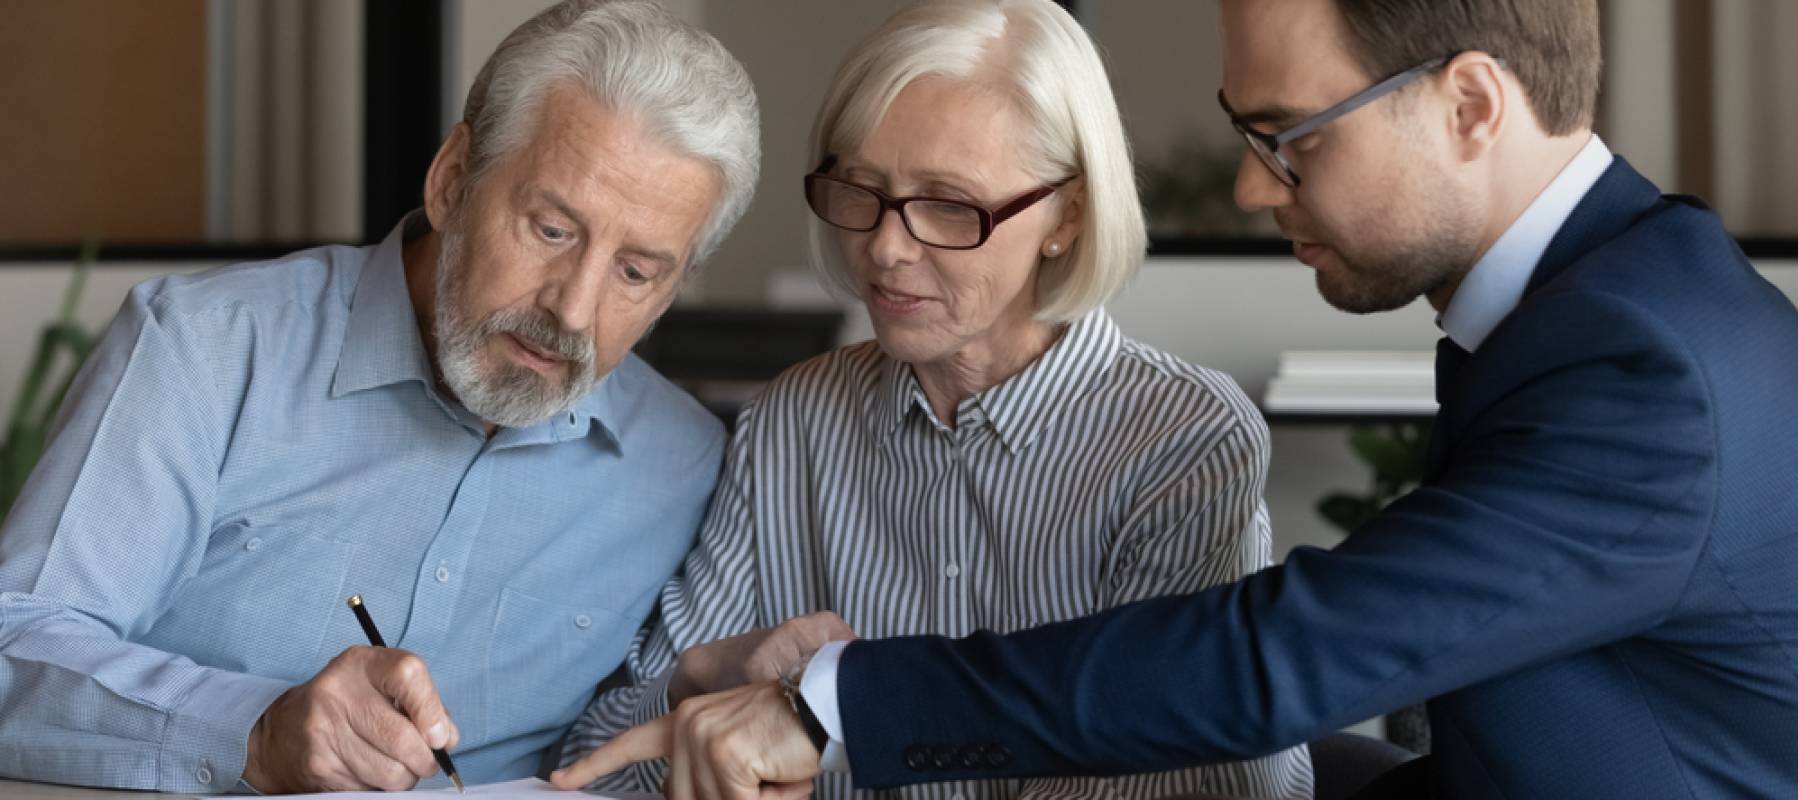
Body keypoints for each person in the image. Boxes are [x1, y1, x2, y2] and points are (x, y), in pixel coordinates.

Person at [551, 0, 1798, 798]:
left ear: (1470, 104)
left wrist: (839, 704)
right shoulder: (1593, 305)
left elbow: (1281, 659)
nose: (1257, 191)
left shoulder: (1647, 374)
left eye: (1290, 137)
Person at [554, 1, 1311, 798]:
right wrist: (694, 685)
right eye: (861, 189)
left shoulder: (1180, 441)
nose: (883, 248)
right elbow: (600, 767)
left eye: (949, 205)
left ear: (1070, 214)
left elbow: (1187, 777)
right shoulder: (795, 422)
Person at [0, 0, 759, 793]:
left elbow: (617, 748)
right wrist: (254, 732)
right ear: (452, 180)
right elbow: (13, 648)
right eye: (551, 230)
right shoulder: (205, 348)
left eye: (635, 272)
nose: (572, 311)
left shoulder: (685, 465)